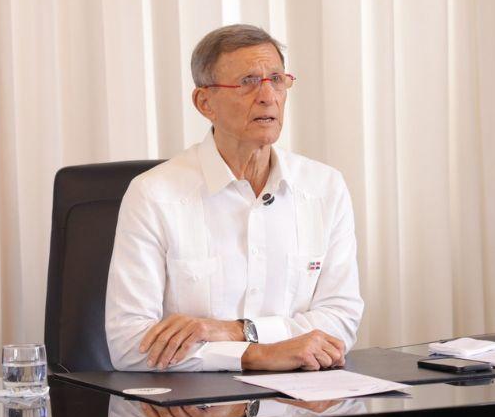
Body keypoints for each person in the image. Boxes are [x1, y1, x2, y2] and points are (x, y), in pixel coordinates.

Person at [105, 24, 364, 372]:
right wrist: (257, 354)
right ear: (205, 103)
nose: (268, 96)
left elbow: (341, 321)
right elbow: (129, 345)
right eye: (248, 82)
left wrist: (236, 331)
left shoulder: (324, 187)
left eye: (277, 79)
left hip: (303, 396)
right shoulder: (154, 195)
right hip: (196, 400)